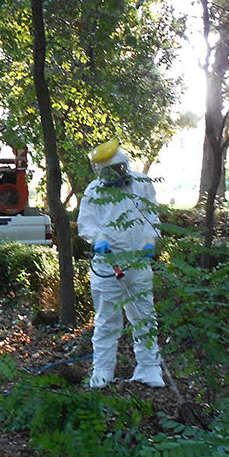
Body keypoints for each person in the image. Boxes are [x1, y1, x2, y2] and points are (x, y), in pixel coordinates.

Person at [77, 139, 164, 388]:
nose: (117, 174)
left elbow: (151, 215)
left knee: (144, 317)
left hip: (138, 263)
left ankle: (149, 368)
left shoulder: (142, 185)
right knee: (107, 321)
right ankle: (103, 372)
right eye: (111, 171)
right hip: (107, 267)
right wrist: (99, 238)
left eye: (120, 168)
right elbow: (87, 223)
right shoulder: (93, 192)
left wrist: (150, 239)